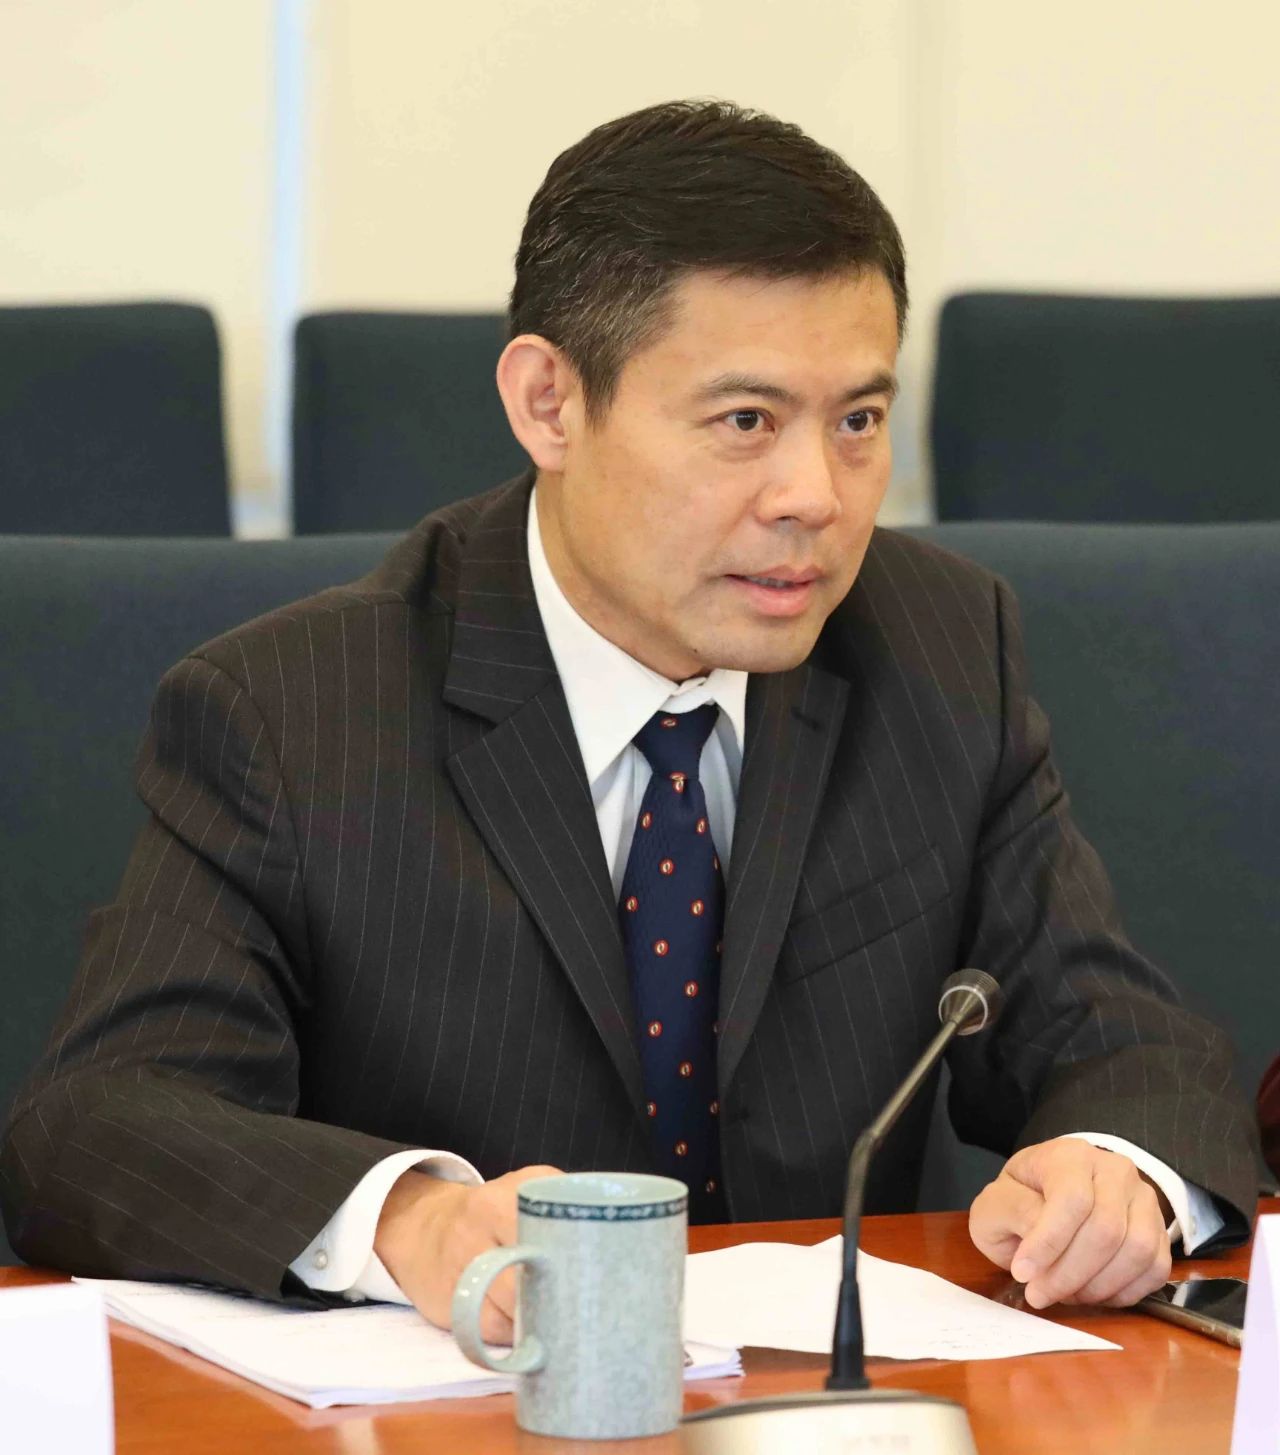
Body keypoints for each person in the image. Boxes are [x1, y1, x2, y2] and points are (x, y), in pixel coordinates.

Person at [0, 101, 1259, 1347]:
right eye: (744, 422)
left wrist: (1115, 1171)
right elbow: (95, 1128)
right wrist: (410, 1223)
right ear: (549, 403)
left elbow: (1124, 1040)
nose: (814, 498)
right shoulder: (293, 710)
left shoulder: (936, 649)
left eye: (857, 422)